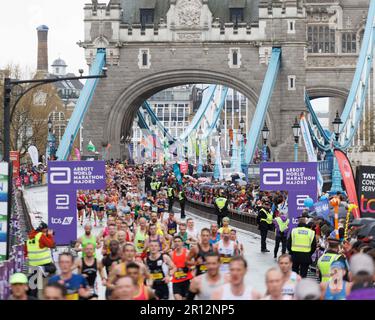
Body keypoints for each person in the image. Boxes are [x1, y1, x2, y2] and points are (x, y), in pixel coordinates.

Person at [170, 235, 194, 300]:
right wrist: (171, 271)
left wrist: (189, 268)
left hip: (186, 281)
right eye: (175, 241)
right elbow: (170, 267)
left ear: (182, 243)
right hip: (176, 281)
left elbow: (193, 265)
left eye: (179, 241)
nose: (177, 243)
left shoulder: (187, 253)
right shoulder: (171, 254)